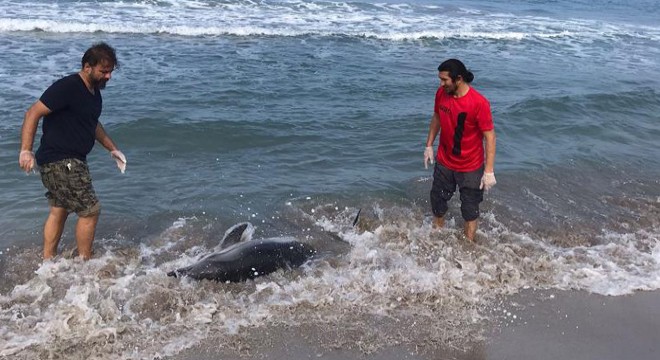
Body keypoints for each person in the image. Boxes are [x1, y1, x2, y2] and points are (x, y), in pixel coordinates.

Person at [18, 42, 127, 260]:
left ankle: (48, 261)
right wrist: (26, 150)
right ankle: (85, 263)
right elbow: (32, 113)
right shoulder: (68, 86)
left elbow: (92, 124)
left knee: (60, 208)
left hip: (66, 161)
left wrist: (113, 149)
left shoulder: (94, 93)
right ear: (88, 66)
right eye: (104, 71)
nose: (108, 77)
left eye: (110, 72)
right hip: (62, 160)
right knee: (90, 211)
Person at [423, 59, 496, 242]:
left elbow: (490, 137)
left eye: (445, 80)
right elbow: (437, 118)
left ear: (458, 79)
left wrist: (488, 171)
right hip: (444, 161)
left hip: (470, 166)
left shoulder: (479, 103)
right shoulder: (441, 94)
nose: (441, 84)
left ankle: (469, 245)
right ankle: (437, 239)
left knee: (470, 210)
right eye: (440, 79)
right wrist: (429, 145)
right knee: (438, 203)